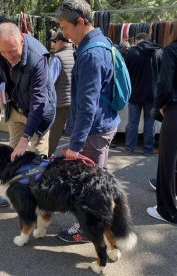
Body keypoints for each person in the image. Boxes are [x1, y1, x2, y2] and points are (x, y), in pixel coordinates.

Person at [55, 0, 120, 242]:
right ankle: (106, 221)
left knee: (91, 185)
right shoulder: (101, 42)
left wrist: (75, 144)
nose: (64, 33)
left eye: (66, 28)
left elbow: (87, 105)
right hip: (104, 123)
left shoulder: (91, 53)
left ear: (80, 22)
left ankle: (90, 227)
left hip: (95, 129)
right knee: (98, 179)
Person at [0, 22, 56, 207]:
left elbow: (38, 103)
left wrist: (25, 139)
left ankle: (39, 199)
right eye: (3, 52)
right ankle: (15, 191)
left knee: (36, 156)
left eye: (12, 51)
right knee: (14, 154)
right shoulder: (3, 52)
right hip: (15, 108)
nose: (9, 57)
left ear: (21, 40)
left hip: (38, 113)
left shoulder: (38, 58)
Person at [146, 8, 177, 223]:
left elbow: (163, 86)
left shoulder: (172, 51)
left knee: (166, 164)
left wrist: (159, 107)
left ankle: (167, 211)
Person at [124, 32, 163, 155]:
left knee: (132, 123)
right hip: (152, 94)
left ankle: (130, 148)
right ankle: (148, 149)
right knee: (149, 123)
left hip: (135, 93)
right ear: (148, 40)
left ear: (137, 41)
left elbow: (126, 75)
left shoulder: (132, 53)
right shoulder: (158, 52)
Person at [48, 31, 75, 156]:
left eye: (54, 42)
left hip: (60, 102)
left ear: (60, 42)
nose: (53, 44)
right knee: (74, 133)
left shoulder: (57, 58)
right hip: (74, 100)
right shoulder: (76, 54)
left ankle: (46, 157)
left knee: (53, 134)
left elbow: (49, 82)